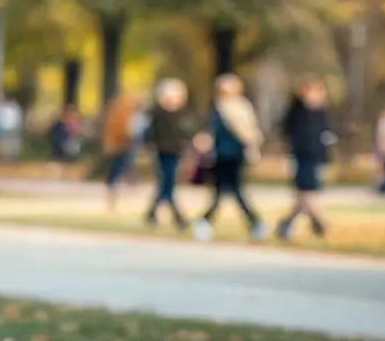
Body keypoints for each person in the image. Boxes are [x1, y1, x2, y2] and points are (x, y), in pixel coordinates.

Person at [193, 73, 266, 241]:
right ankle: (207, 222)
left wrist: (252, 147)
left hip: (235, 154)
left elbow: (249, 131)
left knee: (235, 190)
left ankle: (253, 222)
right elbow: (213, 132)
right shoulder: (217, 108)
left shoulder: (240, 107)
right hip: (220, 155)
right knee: (221, 191)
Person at [275, 77, 337, 240]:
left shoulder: (321, 112)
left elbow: (325, 134)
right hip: (302, 155)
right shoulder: (298, 110)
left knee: (304, 193)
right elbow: (286, 129)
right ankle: (317, 220)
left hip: (315, 155)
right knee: (305, 191)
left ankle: (288, 223)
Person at [143, 79, 193, 229]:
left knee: (166, 184)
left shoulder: (181, 114)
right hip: (163, 151)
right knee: (167, 183)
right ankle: (177, 217)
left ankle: (152, 213)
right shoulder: (157, 113)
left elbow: (186, 131)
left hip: (175, 151)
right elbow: (150, 133)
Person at [102, 91, 141, 211]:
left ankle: (118, 189)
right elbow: (124, 132)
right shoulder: (122, 115)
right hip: (122, 146)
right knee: (119, 168)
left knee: (120, 168)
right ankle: (117, 190)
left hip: (120, 146)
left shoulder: (117, 114)